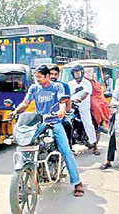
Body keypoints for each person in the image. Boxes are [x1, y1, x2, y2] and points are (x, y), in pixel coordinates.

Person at [9, 65, 84, 197]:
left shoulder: (57, 87)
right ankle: (23, 179)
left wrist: (62, 110)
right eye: (35, 77)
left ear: (47, 76)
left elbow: (62, 101)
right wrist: (15, 111)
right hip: (39, 122)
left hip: (55, 122)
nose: (37, 79)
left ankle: (77, 182)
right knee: (25, 146)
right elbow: (26, 103)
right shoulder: (34, 88)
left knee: (66, 151)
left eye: (39, 77)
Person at [68, 64, 98, 150]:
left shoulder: (86, 83)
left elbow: (86, 93)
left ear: (82, 73)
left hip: (83, 106)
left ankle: (94, 145)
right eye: (75, 73)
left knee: (88, 123)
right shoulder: (70, 84)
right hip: (72, 106)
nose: (77, 75)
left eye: (78, 73)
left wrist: (79, 99)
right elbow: (67, 94)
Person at [83, 67, 111, 154]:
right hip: (81, 102)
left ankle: (100, 123)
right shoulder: (77, 82)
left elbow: (97, 91)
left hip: (92, 99)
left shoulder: (93, 82)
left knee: (98, 108)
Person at [49, 65, 73, 150]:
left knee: (67, 125)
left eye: (56, 74)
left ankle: (68, 149)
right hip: (44, 116)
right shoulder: (39, 86)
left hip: (59, 116)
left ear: (58, 75)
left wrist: (62, 113)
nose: (53, 76)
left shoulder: (64, 86)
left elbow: (68, 104)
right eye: (51, 73)